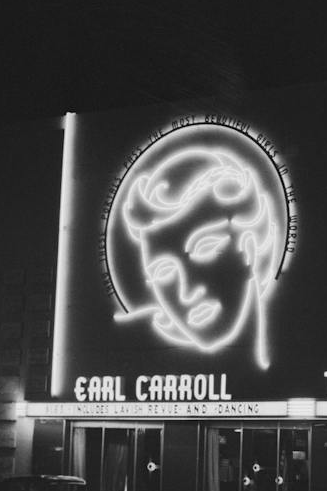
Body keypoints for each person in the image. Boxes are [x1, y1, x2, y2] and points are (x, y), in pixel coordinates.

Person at [110, 129, 286, 370]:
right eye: (164, 272)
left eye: (206, 249)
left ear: (249, 247)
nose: (187, 291)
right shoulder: (122, 355)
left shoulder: (305, 353)